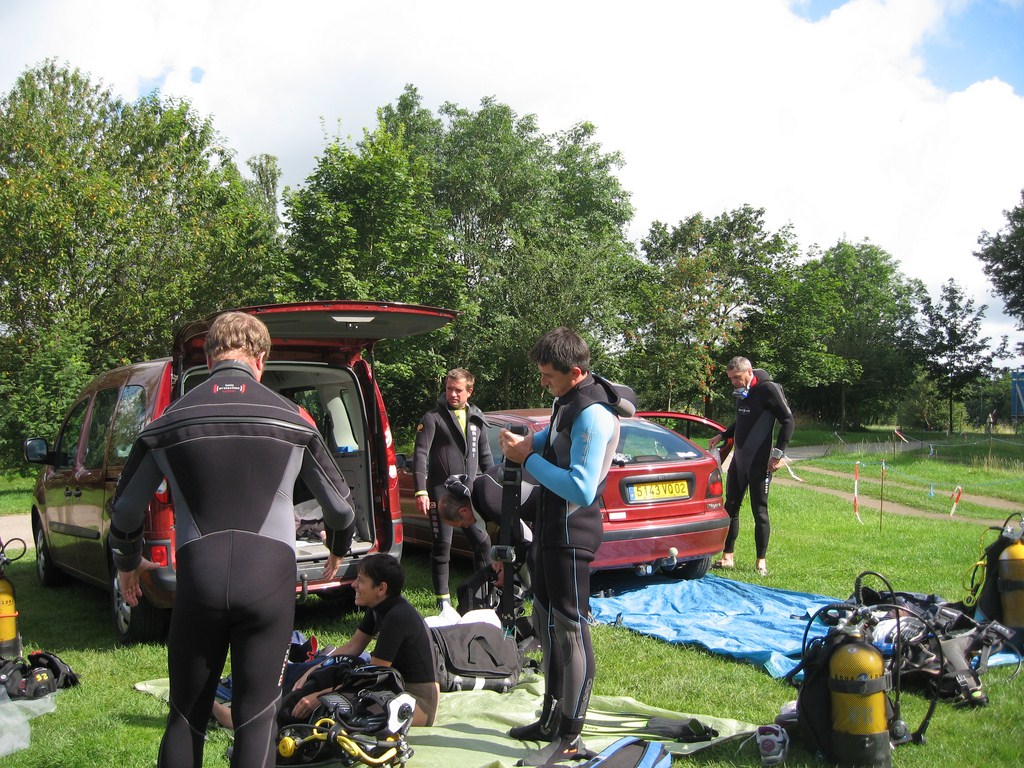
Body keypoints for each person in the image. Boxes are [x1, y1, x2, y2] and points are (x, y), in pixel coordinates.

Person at [110, 311, 356, 768]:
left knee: (186, 716)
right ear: (261, 360)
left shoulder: (166, 421)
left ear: (208, 358)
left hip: (199, 581)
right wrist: (339, 547)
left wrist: (128, 562)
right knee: (257, 718)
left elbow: (124, 511)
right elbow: (342, 509)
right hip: (268, 583)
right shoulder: (295, 420)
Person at [499, 327, 635, 767]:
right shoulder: (566, 401)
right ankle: (549, 720)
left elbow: (580, 487)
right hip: (549, 531)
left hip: (573, 535)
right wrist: (525, 443)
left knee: (570, 630)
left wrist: (527, 459)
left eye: (549, 376)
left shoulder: (593, 415)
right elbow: (549, 438)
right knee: (544, 624)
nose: (543, 383)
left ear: (575, 372)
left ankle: (571, 738)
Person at [287, 554, 439, 727]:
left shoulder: (397, 617)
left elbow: (373, 677)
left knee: (335, 715)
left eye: (360, 580)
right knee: (335, 668)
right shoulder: (378, 607)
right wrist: (313, 668)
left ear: (381, 589)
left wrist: (320, 697)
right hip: (393, 689)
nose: (353, 585)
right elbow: (353, 646)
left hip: (417, 704)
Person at [413, 367, 494, 611]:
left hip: (468, 494)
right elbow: (420, 454)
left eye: (458, 390)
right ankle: (443, 601)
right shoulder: (433, 417)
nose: (452, 394)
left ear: (470, 391)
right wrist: (421, 491)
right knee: (442, 545)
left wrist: (494, 489)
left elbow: (486, 457)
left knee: (483, 543)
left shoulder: (476, 418)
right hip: (442, 492)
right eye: (449, 389)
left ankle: (484, 595)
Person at [708, 356, 795, 577]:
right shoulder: (742, 392)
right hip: (740, 460)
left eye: (737, 377)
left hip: (760, 461)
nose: (734, 382)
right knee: (730, 507)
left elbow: (788, 421)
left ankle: (761, 563)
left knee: (759, 511)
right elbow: (743, 420)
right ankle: (727, 557)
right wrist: (723, 435)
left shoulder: (768, 389)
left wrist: (777, 454)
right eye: (730, 379)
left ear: (749, 372)